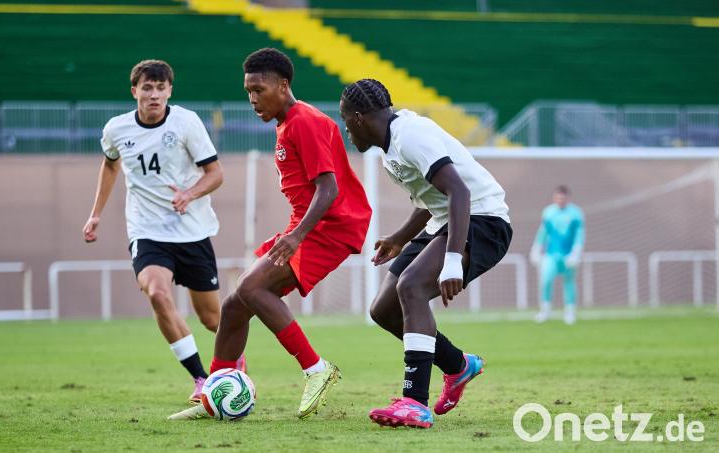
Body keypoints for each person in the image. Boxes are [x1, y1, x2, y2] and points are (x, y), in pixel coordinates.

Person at [169, 48, 371, 420]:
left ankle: (316, 369)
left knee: (251, 288)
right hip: (308, 227)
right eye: (248, 91)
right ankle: (215, 394)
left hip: (330, 227)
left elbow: (328, 189)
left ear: (283, 85)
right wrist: (295, 232)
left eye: (259, 90)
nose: (252, 99)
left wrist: (296, 237)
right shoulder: (287, 123)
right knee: (234, 306)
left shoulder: (304, 121)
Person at [339, 79, 512, 429]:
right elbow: (431, 198)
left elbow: (459, 192)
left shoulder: (410, 136)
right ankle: (457, 365)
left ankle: (415, 403)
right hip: (445, 221)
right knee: (383, 309)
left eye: (345, 121)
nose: (346, 131)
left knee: (411, 287)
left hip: (483, 220)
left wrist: (452, 261)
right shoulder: (391, 146)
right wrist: (400, 238)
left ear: (358, 117)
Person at [83, 59, 237, 405]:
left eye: (160, 88)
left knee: (212, 318)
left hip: (192, 230)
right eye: (147, 88)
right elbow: (110, 165)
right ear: (134, 91)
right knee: (156, 293)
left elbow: (215, 174)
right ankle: (201, 378)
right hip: (147, 230)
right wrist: (95, 215)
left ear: (170, 91)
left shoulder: (186, 122)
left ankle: (235, 364)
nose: (154, 95)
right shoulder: (116, 129)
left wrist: (189, 194)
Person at [530, 185, 585, 325]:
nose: (560, 200)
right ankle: (545, 311)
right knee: (546, 280)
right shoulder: (548, 212)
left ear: (568, 198)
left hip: (569, 254)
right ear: (554, 198)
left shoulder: (576, 213)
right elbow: (543, 232)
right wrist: (536, 248)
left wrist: (576, 252)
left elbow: (579, 234)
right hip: (551, 254)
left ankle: (570, 312)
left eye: (563, 198)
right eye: (558, 198)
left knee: (569, 281)